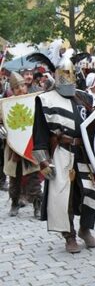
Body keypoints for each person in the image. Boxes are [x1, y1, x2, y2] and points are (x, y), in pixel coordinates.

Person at [32, 57, 95, 254]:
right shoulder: (45, 100)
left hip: (85, 153)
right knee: (63, 195)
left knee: (92, 191)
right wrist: (43, 161)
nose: (68, 78)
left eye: (70, 74)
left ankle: (85, 228)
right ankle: (69, 235)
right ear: (56, 76)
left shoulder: (85, 98)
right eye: (64, 75)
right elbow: (39, 133)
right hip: (62, 152)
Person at [2, 72, 42, 218]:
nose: (20, 89)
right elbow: (2, 122)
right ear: (12, 89)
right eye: (16, 87)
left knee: (33, 178)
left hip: (30, 145)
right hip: (14, 147)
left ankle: (38, 205)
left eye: (22, 86)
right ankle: (14, 202)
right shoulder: (6, 103)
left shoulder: (32, 100)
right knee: (14, 178)